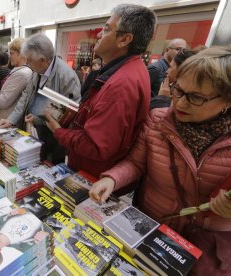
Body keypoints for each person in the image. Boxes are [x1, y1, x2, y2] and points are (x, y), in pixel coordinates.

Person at [89, 46, 231, 274]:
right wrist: (112, 179)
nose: (180, 103)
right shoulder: (158, 120)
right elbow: (136, 163)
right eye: (177, 89)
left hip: (206, 251)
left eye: (196, 97)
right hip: (152, 230)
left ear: (227, 100)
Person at [44, 4, 156, 178]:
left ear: (124, 39)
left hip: (94, 176)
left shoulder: (121, 83)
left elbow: (96, 146)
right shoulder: (128, 70)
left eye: (106, 29)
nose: (98, 34)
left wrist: (58, 131)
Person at [0, 33, 81, 164]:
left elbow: (69, 115)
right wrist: (12, 119)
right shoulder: (37, 71)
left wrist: (39, 120)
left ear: (43, 60)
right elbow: (26, 95)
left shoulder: (66, 77)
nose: (27, 64)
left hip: (54, 139)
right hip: (34, 132)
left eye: (30, 60)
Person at [0, 38, 33, 122]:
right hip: (7, 119)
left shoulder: (22, 73)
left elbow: (4, 101)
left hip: (7, 120)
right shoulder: (21, 70)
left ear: (21, 54)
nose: (9, 56)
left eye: (12, 53)